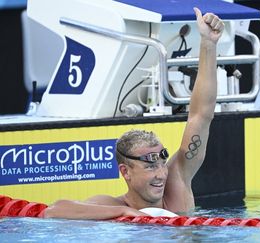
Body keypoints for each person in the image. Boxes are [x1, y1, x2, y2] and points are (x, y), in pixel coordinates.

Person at [43, 7, 224, 220]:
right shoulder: (111, 205)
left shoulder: (177, 185)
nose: (160, 174)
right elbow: (53, 211)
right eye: (149, 166)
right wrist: (124, 212)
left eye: (160, 164)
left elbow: (201, 115)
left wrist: (209, 44)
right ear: (125, 171)